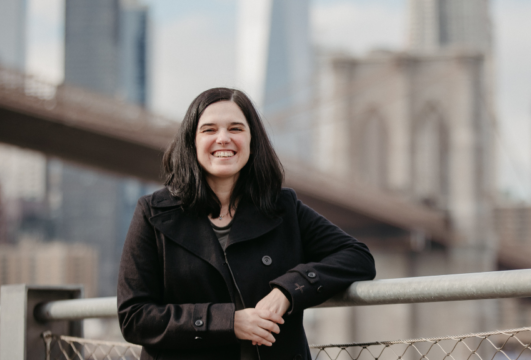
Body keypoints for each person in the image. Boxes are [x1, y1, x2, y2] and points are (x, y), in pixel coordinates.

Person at [117, 87, 376, 360]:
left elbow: (357, 257)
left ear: (253, 140)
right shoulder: (153, 213)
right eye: (209, 130)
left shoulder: (282, 208)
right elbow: (134, 317)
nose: (223, 139)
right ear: (191, 141)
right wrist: (229, 322)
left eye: (236, 128)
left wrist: (289, 289)